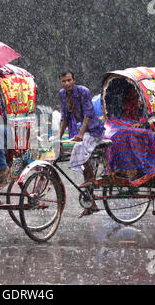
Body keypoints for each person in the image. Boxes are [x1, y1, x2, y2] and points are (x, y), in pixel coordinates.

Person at [58, 70, 105, 217]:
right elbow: (65, 117)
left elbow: (88, 115)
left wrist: (81, 134)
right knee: (84, 162)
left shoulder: (83, 91)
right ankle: (91, 203)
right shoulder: (62, 94)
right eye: (64, 81)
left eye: (69, 80)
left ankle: (91, 180)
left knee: (80, 148)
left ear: (74, 80)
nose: (67, 83)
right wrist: (58, 138)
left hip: (93, 129)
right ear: (61, 82)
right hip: (79, 131)